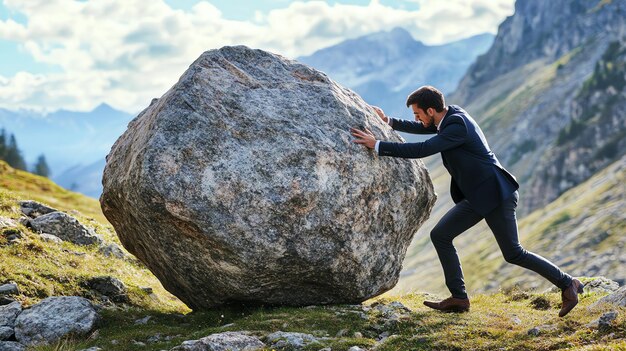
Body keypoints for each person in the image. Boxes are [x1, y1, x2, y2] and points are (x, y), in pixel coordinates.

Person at [350, 85, 583, 317]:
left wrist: (377, 145)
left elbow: (424, 148)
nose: (416, 119)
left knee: (513, 253)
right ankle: (459, 298)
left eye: (418, 113)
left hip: (495, 194)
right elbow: (425, 129)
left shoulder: (456, 125)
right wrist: (389, 121)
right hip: (479, 196)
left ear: (431, 111)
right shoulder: (449, 117)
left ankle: (568, 284)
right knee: (441, 236)